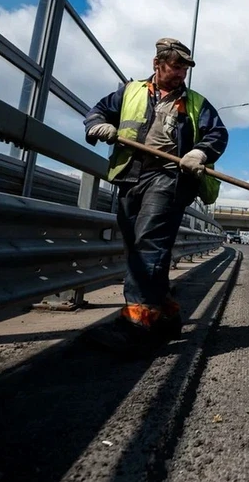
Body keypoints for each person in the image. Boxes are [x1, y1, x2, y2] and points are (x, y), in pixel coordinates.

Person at [82, 37, 228, 356]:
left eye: (184, 70)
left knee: (150, 242)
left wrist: (200, 152)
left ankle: (139, 322)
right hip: (131, 175)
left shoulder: (196, 103)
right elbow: (97, 112)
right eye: (175, 67)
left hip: (169, 176)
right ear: (157, 64)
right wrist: (98, 126)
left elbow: (218, 133)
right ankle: (166, 315)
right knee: (136, 245)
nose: (180, 75)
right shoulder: (130, 91)